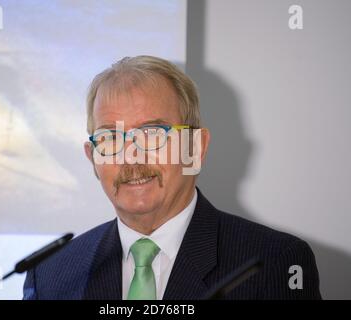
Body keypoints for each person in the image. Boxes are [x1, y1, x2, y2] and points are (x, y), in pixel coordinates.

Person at [23, 56, 321, 300]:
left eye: (152, 134)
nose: (131, 157)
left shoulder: (276, 262)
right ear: (93, 158)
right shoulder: (51, 274)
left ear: (196, 148)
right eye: (111, 138)